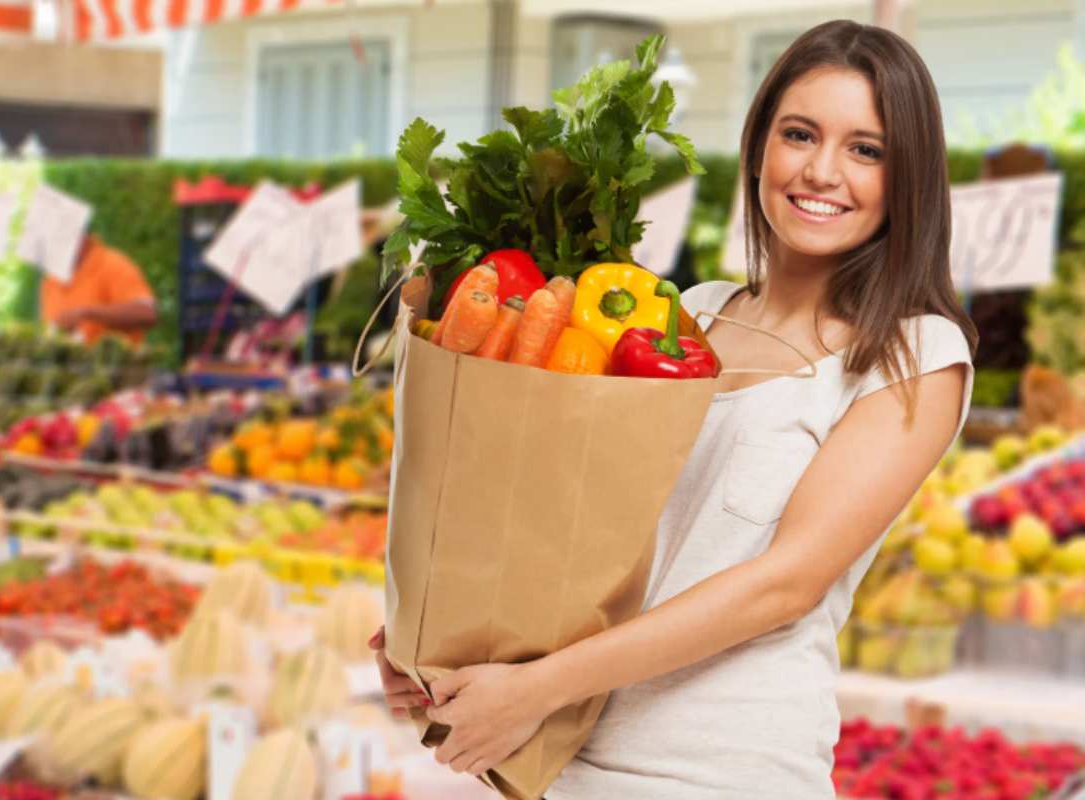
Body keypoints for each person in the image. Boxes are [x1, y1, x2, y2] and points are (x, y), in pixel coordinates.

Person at [371, 19, 978, 799]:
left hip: (722, 774)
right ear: (760, 145)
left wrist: (539, 687)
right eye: (800, 134)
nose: (823, 170)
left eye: (867, 149)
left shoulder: (914, 355)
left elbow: (783, 585)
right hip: (557, 760)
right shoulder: (689, 311)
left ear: (909, 179)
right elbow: (563, 520)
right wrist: (437, 635)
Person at [41, 232, 158, 345]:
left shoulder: (112, 263)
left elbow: (146, 313)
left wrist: (88, 313)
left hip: (118, 363)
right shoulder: (51, 280)